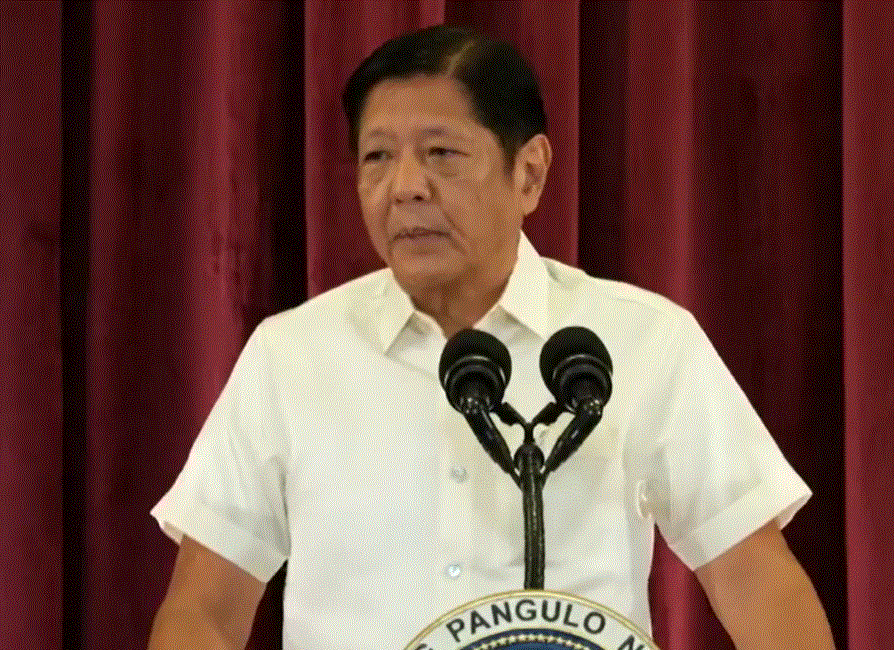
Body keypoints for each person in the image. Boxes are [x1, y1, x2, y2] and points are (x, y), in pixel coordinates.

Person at [148, 24, 835, 650]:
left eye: (441, 153)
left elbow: (758, 584)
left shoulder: (641, 342)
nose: (404, 187)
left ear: (529, 172)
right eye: (377, 157)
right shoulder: (292, 356)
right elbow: (204, 610)